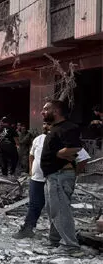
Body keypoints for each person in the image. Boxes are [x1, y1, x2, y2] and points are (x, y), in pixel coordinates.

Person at [13, 121, 91, 239]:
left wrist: (73, 174)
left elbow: (83, 158)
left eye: (49, 124)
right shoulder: (38, 139)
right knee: (34, 204)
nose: (45, 126)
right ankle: (28, 228)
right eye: (44, 123)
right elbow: (31, 155)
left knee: (57, 208)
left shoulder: (63, 139)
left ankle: (57, 237)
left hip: (55, 178)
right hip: (37, 179)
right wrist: (31, 170)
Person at [40, 100, 83, 256]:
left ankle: (70, 246)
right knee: (53, 209)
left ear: (56, 111)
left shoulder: (68, 127)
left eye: (46, 109)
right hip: (53, 175)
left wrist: (59, 154)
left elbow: (76, 147)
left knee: (60, 210)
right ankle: (55, 240)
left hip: (60, 175)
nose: (42, 112)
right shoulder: (56, 128)